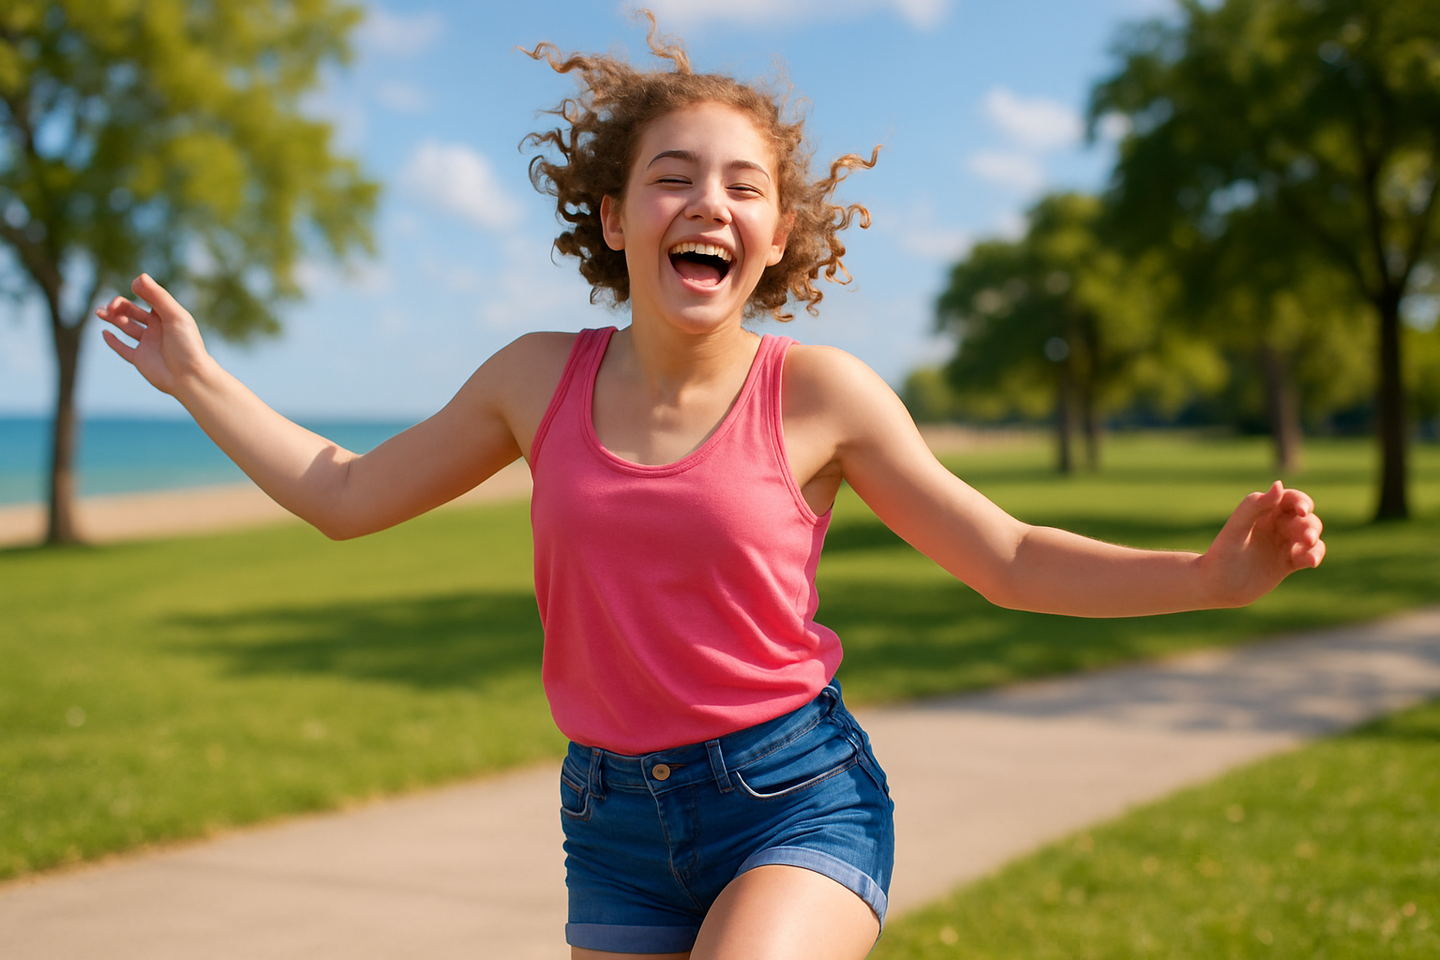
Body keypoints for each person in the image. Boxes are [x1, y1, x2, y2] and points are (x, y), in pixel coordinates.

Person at [96, 14, 1325, 960]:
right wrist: (197, 378)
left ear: (779, 234)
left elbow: (1002, 556)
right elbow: (347, 493)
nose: (710, 203)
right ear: (615, 215)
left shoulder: (823, 394)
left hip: (794, 798)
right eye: (674, 176)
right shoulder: (534, 380)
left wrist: (1212, 577)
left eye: (744, 185)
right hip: (612, 822)